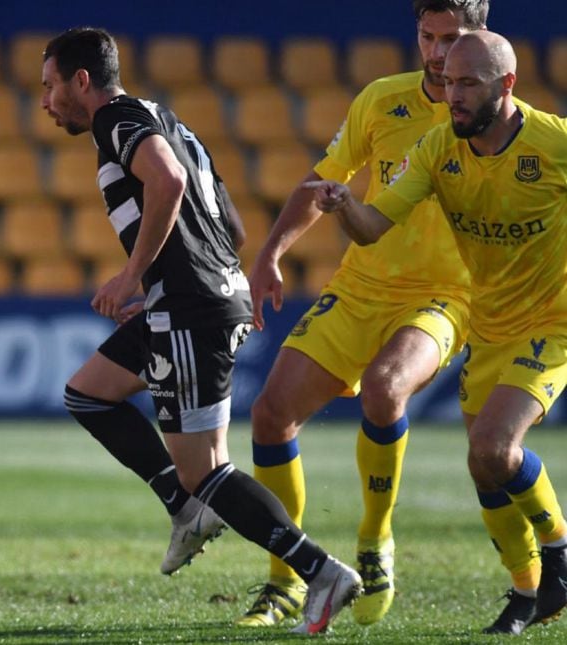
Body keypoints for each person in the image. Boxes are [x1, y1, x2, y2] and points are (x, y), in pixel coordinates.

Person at [41, 27, 360, 634]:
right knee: (88, 391)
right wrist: (166, 278)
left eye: (50, 86)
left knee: (207, 470)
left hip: (192, 309)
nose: (45, 101)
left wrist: (137, 276)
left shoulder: (115, 120)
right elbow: (232, 227)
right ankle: (183, 509)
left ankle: (321, 574)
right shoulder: (171, 120)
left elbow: (169, 182)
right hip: (194, 298)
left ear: (82, 81)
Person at [305, 31, 567, 635]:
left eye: (468, 83)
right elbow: (372, 227)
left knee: (493, 449)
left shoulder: (552, 142)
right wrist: (344, 203)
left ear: (507, 85)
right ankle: (527, 593)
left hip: (551, 323)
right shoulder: (436, 149)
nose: (453, 95)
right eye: (448, 82)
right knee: (486, 470)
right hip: (490, 323)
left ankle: (558, 551)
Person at [240, 0, 486, 628]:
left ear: (479, 38)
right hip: (361, 288)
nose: (436, 52)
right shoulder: (382, 99)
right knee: (269, 417)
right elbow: (323, 179)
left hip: (443, 297)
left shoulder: (494, 116)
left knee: (384, 388)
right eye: (427, 36)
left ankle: (375, 542)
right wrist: (270, 254)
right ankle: (286, 581)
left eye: (451, 39)